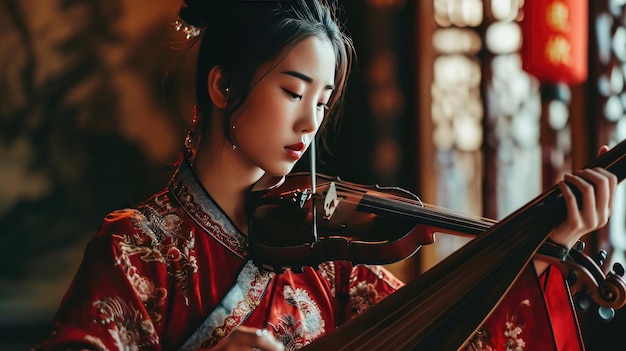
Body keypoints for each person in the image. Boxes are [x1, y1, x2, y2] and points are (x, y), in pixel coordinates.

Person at [34, 1, 618, 350]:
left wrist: (541, 251)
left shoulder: (325, 258)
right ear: (222, 85)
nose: (308, 122)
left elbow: (444, 338)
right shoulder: (137, 251)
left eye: (322, 102)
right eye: (292, 91)